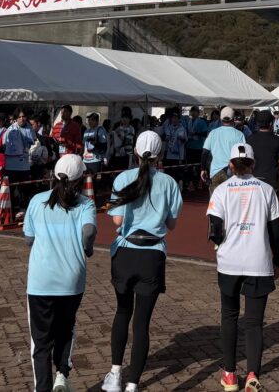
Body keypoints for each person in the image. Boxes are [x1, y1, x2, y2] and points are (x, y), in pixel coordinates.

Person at [102, 132, 182, 392]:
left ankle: (115, 373)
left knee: (122, 311)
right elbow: (171, 224)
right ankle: (133, 384)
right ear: (160, 154)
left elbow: (116, 220)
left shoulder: (122, 178)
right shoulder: (169, 182)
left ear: (135, 151)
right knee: (142, 323)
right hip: (152, 254)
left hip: (125, 251)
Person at [207, 141, 279, 392]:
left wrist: (220, 242)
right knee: (254, 322)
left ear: (230, 165)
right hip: (258, 261)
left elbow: (214, 230)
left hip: (229, 262)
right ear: (253, 163)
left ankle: (229, 374)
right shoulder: (266, 189)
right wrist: (277, 261)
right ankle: (252, 374)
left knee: (229, 316)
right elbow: (276, 231)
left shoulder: (221, 190)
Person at [24, 153, 96, 392]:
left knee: (40, 339)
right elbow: (88, 232)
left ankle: (42, 387)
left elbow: (28, 238)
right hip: (71, 279)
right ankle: (62, 374)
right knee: (66, 328)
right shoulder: (86, 204)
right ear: (80, 179)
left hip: (41, 280)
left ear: (53, 175)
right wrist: (87, 249)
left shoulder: (37, 201)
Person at [202, 107, 250, 191]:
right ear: (233, 118)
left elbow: (205, 152)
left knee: (215, 198)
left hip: (215, 172)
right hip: (233, 171)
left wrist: (203, 169)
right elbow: (243, 154)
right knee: (232, 198)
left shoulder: (213, 133)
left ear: (221, 118)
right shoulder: (239, 134)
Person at [248, 112, 279, 190]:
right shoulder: (277, 140)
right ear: (271, 123)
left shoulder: (249, 139)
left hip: (253, 178)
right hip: (271, 179)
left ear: (257, 123)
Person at [160, 109, 187, 185]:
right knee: (169, 172)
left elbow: (185, 140)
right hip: (169, 154)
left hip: (178, 155)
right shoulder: (169, 128)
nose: (174, 120)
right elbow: (164, 137)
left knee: (178, 172)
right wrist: (166, 137)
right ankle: (169, 185)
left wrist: (180, 138)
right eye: (173, 118)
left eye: (176, 118)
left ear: (179, 119)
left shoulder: (182, 128)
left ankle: (179, 185)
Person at [183, 105, 207, 191]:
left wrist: (196, 133)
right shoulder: (187, 121)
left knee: (199, 166)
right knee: (189, 166)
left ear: (198, 113)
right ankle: (191, 183)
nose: (193, 113)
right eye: (192, 111)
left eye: (195, 111)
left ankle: (200, 181)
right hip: (189, 146)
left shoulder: (202, 122)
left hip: (199, 147)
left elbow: (205, 133)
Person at [108, 108, 137, 173]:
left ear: (130, 119)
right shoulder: (117, 128)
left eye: (127, 118)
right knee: (118, 171)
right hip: (117, 154)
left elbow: (130, 140)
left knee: (126, 171)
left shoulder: (132, 129)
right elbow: (112, 140)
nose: (124, 119)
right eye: (123, 117)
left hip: (128, 154)